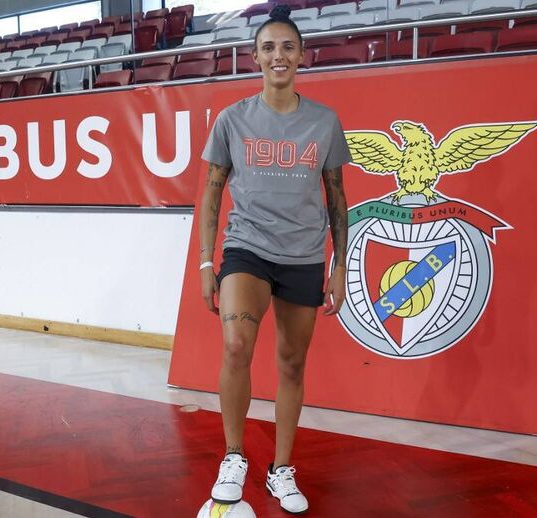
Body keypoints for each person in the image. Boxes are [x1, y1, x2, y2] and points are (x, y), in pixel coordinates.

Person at [197, 4, 353, 514]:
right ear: (255, 56)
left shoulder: (325, 122)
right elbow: (212, 195)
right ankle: (234, 457)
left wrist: (340, 264)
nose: (278, 55)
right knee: (237, 343)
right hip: (247, 247)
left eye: (287, 47)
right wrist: (205, 262)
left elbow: (336, 198)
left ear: (302, 56)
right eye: (268, 47)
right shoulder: (231, 120)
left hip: (304, 256)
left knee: (291, 361)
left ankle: (280, 470)